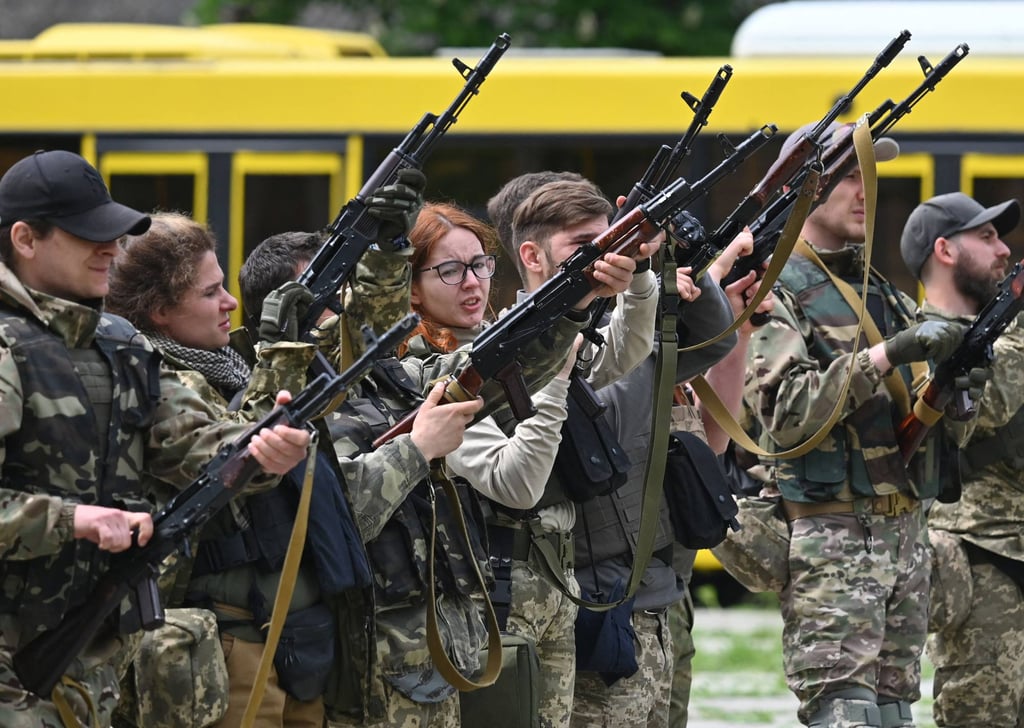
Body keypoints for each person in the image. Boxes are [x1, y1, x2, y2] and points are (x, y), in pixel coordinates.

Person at [0, 150, 311, 727]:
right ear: (25, 238)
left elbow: (197, 443)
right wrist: (76, 521)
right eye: (88, 236)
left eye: (114, 235)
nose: (110, 250)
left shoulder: (116, 342)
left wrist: (263, 451)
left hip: (92, 657)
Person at [741, 123, 967, 728]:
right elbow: (786, 415)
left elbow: (908, 418)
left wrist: (950, 390)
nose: (865, 189)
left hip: (900, 537)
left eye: (868, 174)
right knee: (846, 714)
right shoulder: (772, 287)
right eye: (846, 176)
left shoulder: (876, 290)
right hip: (833, 538)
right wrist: (886, 355)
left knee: (893, 713)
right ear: (802, 190)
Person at [107, 213, 357, 727]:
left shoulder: (226, 363)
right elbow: (245, 459)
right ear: (158, 311)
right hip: (227, 642)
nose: (230, 303)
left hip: (290, 630)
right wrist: (280, 352)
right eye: (210, 293)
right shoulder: (153, 379)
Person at [437, 177, 663, 728]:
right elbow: (516, 484)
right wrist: (560, 370)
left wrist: (640, 278)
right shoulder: (442, 368)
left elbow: (623, 356)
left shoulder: (523, 334)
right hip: (496, 588)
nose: (474, 283)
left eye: (480, 266)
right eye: (452, 270)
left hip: (557, 580)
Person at [898, 192, 1024, 728]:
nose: (1003, 250)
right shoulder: (906, 341)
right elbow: (985, 405)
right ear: (945, 250)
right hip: (981, 565)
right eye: (987, 236)